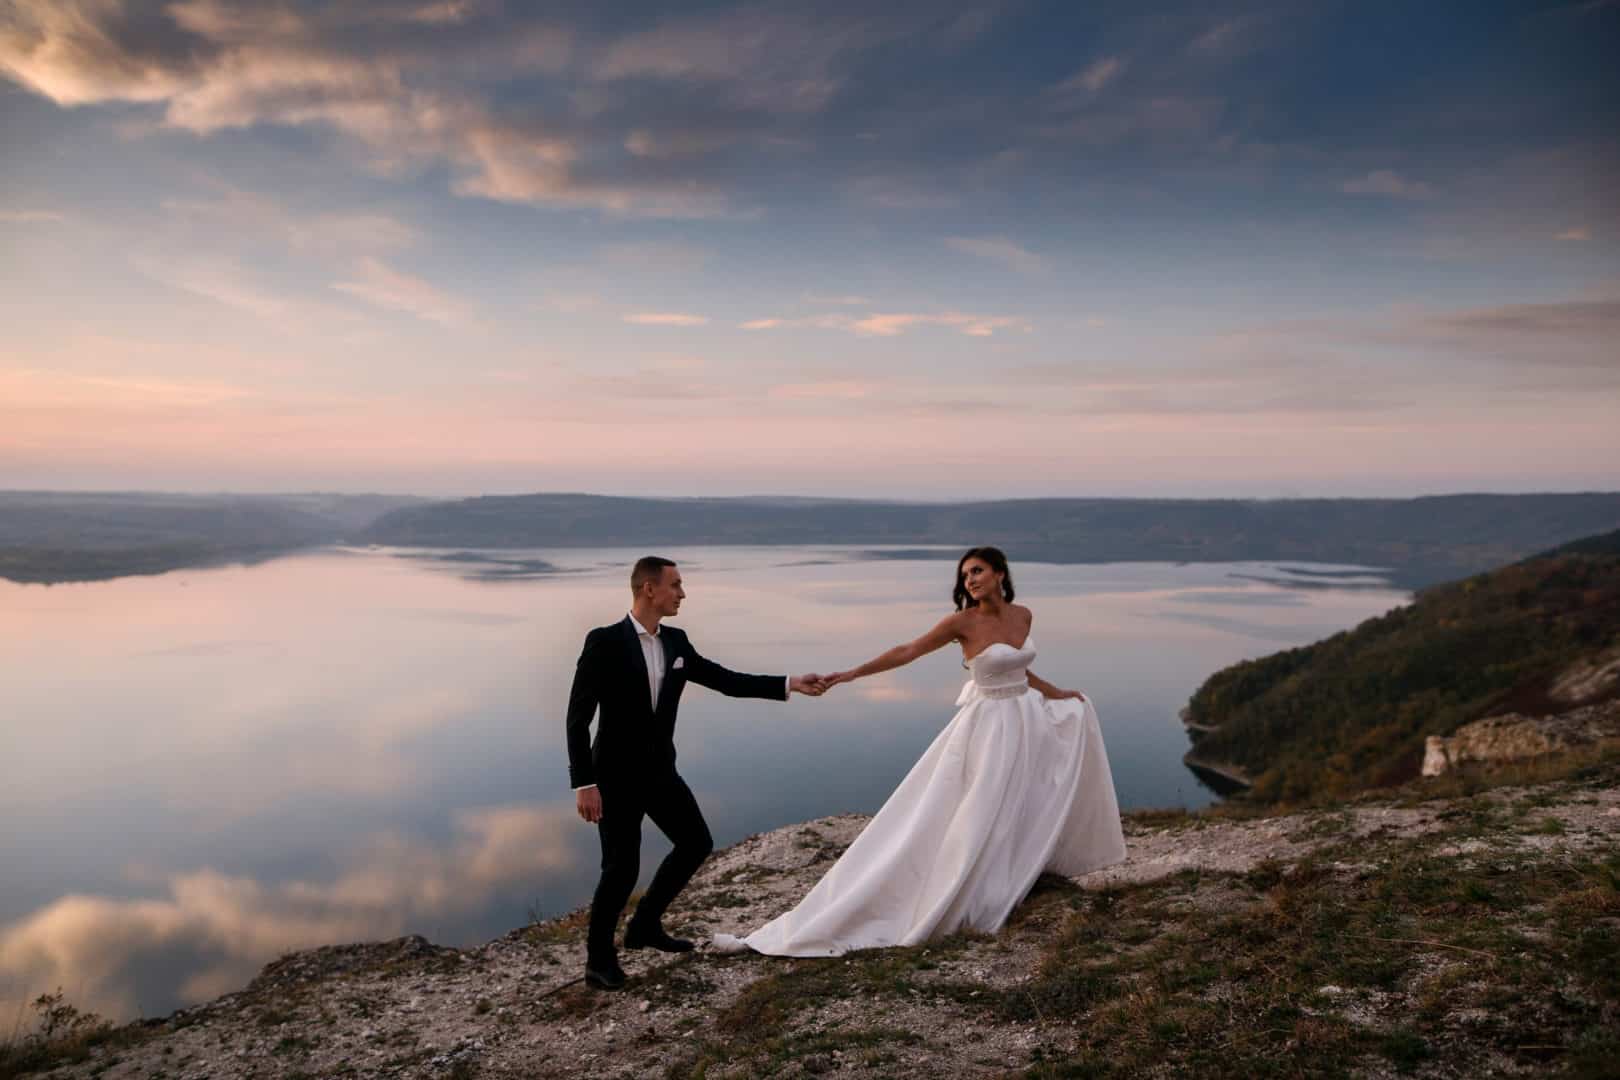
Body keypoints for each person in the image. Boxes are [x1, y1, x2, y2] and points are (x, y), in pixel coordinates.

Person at [713, 546, 1125, 957]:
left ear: (1000, 573)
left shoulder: (1023, 615)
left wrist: (1057, 694)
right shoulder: (961, 622)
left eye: (978, 571)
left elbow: (1018, 668)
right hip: (989, 728)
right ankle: (963, 889)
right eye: (965, 576)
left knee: (1022, 801)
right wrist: (852, 674)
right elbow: (907, 651)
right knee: (978, 809)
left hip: (1025, 718)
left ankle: (1015, 874)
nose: (971, 581)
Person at [567, 555, 828, 990]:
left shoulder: (677, 642)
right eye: (676, 585)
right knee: (620, 868)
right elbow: (578, 718)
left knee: (695, 843)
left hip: (659, 772)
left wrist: (789, 683)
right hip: (613, 777)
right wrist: (584, 783)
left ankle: (645, 925)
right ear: (649, 589)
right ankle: (598, 962)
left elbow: (725, 679)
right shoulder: (604, 641)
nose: (682, 594)